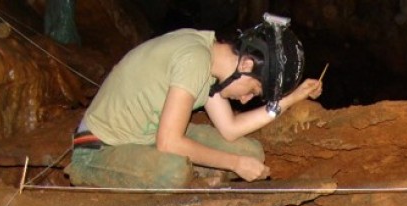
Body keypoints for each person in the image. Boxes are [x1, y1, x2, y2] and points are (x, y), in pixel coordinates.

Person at [65, 13, 322, 189]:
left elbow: (230, 129)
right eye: (252, 90)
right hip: (101, 147)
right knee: (173, 171)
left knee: (250, 153)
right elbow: (169, 142)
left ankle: (199, 173)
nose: (245, 99)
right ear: (246, 64)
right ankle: (195, 177)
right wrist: (234, 164)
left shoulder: (211, 60)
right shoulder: (194, 60)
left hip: (149, 136)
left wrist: (290, 99)